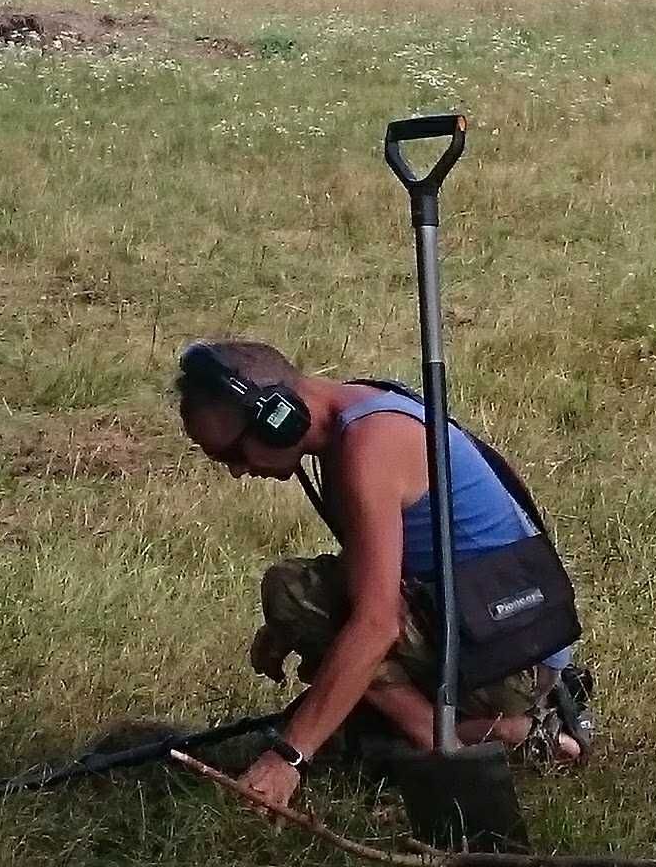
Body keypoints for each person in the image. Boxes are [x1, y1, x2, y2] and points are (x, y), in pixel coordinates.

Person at [172, 338, 590, 833]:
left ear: (278, 416)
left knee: (293, 591)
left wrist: (290, 756)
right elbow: (378, 564)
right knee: (336, 690)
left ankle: (452, 738)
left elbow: (376, 624)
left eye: (232, 452)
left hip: (504, 657)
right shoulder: (361, 410)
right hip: (506, 629)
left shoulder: (368, 449)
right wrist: (293, 632)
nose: (239, 471)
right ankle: (497, 728)